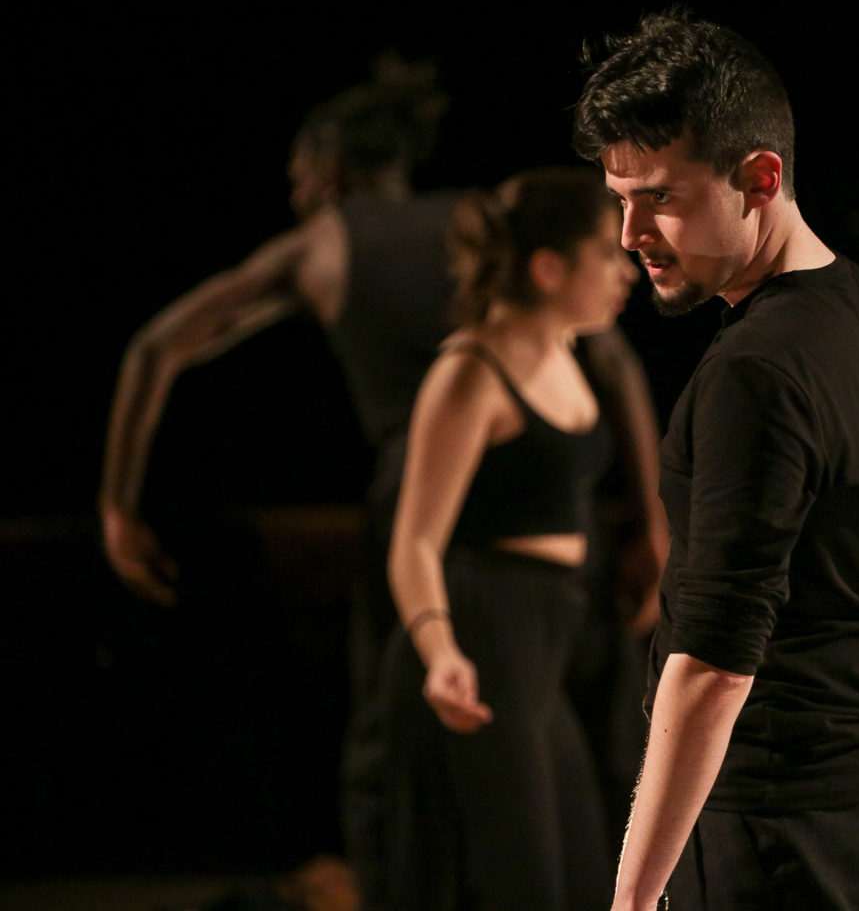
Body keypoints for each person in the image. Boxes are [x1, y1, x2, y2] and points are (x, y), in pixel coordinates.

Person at [98, 62, 665, 898]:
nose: (295, 187)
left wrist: (118, 505)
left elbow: (159, 345)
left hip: (486, 519)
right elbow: (617, 369)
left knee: (421, 773)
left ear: (331, 166)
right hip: (479, 529)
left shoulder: (334, 242)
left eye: (300, 167)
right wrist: (651, 519)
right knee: (470, 783)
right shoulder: (490, 222)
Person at [573, 12, 859, 911]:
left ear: (760, 178)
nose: (630, 233)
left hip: (765, 826)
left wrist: (632, 899)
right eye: (619, 199)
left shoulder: (757, 371)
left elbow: (716, 663)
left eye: (659, 195)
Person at [374, 167, 636, 910]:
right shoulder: (471, 371)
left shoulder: (567, 351)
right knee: (522, 882)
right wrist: (440, 652)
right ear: (548, 269)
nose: (625, 272)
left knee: (585, 876)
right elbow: (414, 542)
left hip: (543, 645)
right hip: (484, 634)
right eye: (606, 254)